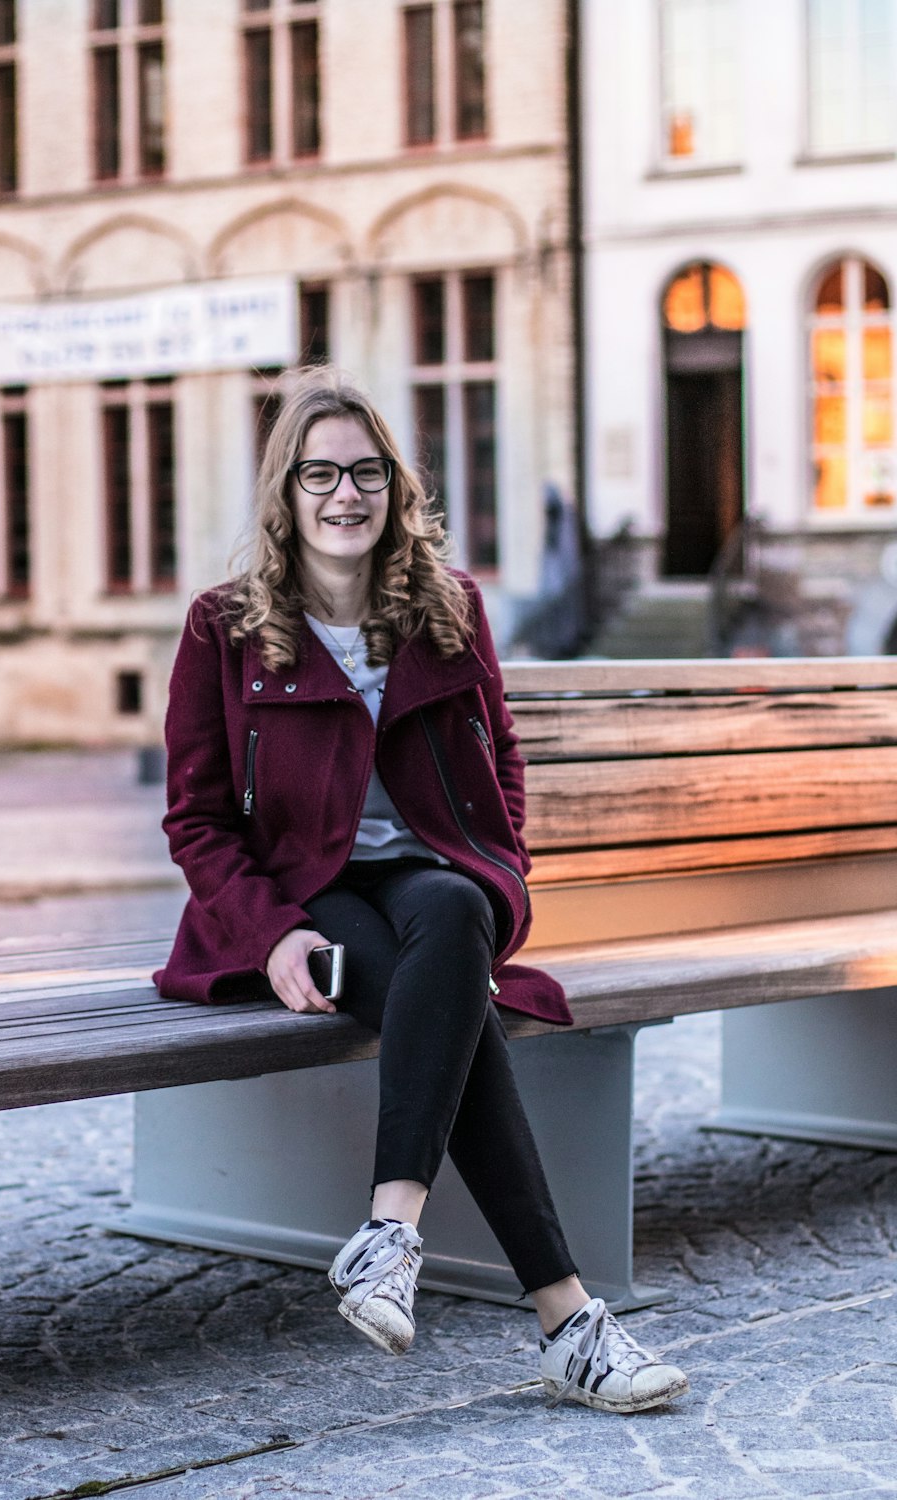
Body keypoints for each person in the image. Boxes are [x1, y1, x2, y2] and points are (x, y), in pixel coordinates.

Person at [155, 367, 689, 1415]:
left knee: (450, 913)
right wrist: (268, 936)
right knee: (451, 1004)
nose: (344, 494)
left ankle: (390, 1231)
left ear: (395, 489)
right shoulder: (222, 629)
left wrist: (501, 865)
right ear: (284, 492)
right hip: (306, 898)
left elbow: (503, 760)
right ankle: (568, 1322)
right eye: (320, 473)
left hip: (438, 877)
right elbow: (198, 821)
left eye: (366, 471)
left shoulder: (449, 610)